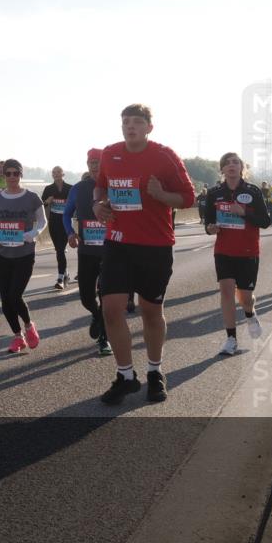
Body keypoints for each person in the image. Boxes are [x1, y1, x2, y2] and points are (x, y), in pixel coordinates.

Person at [93, 103, 195, 404]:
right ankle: (125, 376)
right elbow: (100, 189)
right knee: (110, 308)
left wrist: (161, 195)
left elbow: (188, 198)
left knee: (151, 312)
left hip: (154, 246)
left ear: (149, 127)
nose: (130, 126)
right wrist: (97, 205)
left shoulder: (164, 155)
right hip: (118, 242)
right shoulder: (109, 154)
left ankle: (154, 372)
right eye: (125, 122)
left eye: (137, 122)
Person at [204, 153, 270, 355]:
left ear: (242, 168)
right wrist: (211, 228)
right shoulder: (214, 193)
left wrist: (244, 213)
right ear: (222, 169)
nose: (231, 166)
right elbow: (207, 223)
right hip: (223, 250)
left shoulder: (253, 191)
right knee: (226, 291)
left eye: (235, 162)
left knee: (246, 298)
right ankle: (231, 339)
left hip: (248, 250)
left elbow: (265, 221)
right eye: (227, 163)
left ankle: (250, 314)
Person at [0, 159, 47, 353]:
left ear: (21, 174)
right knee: (5, 299)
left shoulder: (32, 197)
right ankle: (18, 337)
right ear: (3, 175)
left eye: (15, 173)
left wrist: (32, 234)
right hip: (3, 254)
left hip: (24, 253)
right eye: (8, 173)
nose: (12, 177)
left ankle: (29, 326)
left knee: (14, 295)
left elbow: (43, 221)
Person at [63, 148, 112, 356]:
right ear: (87, 164)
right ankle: (96, 314)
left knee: (108, 296)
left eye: (98, 161)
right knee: (86, 297)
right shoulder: (78, 188)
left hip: (112, 250)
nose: (95, 165)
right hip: (87, 250)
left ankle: (104, 338)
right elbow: (66, 214)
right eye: (91, 162)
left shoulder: (114, 185)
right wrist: (70, 233)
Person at [42, 166, 73, 290]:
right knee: (58, 250)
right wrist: (48, 201)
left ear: (63, 174)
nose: (56, 174)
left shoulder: (70, 188)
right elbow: (42, 204)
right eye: (54, 173)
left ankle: (60, 278)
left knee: (61, 250)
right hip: (54, 222)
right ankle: (65, 274)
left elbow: (75, 204)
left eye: (58, 172)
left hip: (65, 222)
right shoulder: (49, 189)